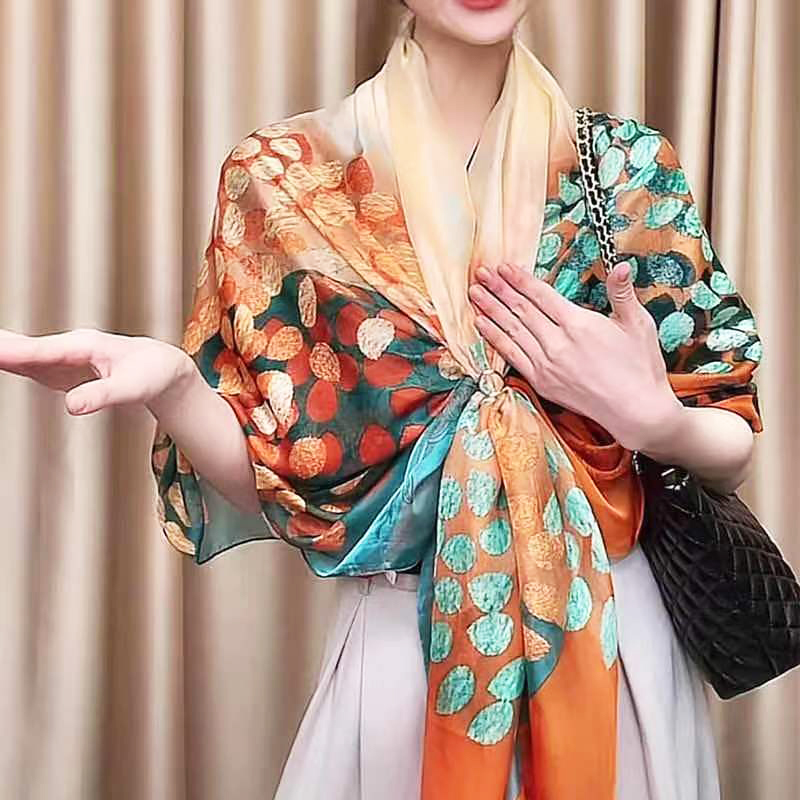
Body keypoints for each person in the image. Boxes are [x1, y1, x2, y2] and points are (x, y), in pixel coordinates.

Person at [0, 1, 764, 799]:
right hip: (403, 649)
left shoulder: (626, 171)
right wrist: (177, 385)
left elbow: (733, 437)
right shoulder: (288, 181)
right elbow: (277, 476)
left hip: (617, 641)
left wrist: (657, 421)